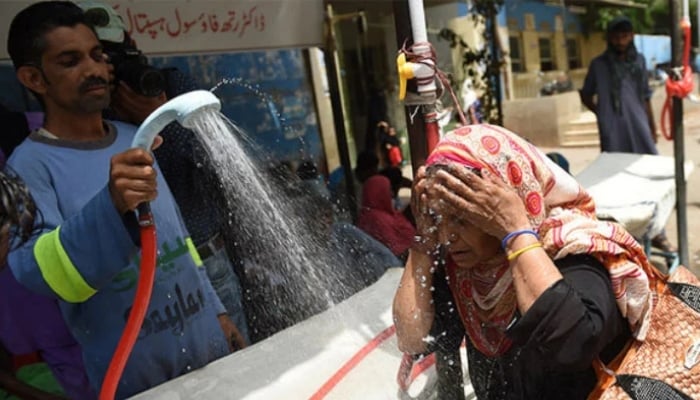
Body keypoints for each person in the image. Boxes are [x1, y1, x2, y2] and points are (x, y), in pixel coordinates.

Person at [5, 2, 236, 397]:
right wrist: (110, 204)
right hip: (135, 374)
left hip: (206, 346)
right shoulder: (27, 166)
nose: (94, 69)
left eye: (97, 55)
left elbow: (179, 239)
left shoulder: (136, 136)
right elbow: (37, 272)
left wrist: (218, 312)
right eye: (70, 60)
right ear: (33, 77)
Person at [393, 124, 656, 399]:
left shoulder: (577, 249)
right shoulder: (466, 272)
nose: (448, 236)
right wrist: (423, 240)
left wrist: (515, 230)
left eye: (462, 218)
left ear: (508, 199)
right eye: (438, 219)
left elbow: (572, 344)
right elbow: (411, 338)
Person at [77, 0, 250, 348]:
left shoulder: (171, 85)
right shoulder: (94, 114)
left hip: (206, 255)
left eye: (118, 53)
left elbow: (221, 162)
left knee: (235, 358)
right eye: (102, 57)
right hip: (142, 270)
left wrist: (159, 117)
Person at [580, 15, 676, 253]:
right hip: (613, 130)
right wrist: (601, 113)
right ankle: (622, 237)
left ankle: (657, 234)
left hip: (639, 126)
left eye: (624, 35)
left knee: (648, 176)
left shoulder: (639, 61)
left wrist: (652, 127)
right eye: (615, 35)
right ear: (609, 38)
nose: (620, 40)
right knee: (615, 179)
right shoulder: (598, 64)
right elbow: (585, 94)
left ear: (631, 36)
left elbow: (645, 96)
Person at [356, 175, 415, 262]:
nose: (391, 194)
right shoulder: (376, 219)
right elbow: (396, 251)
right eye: (388, 190)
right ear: (379, 192)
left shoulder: (386, 214)